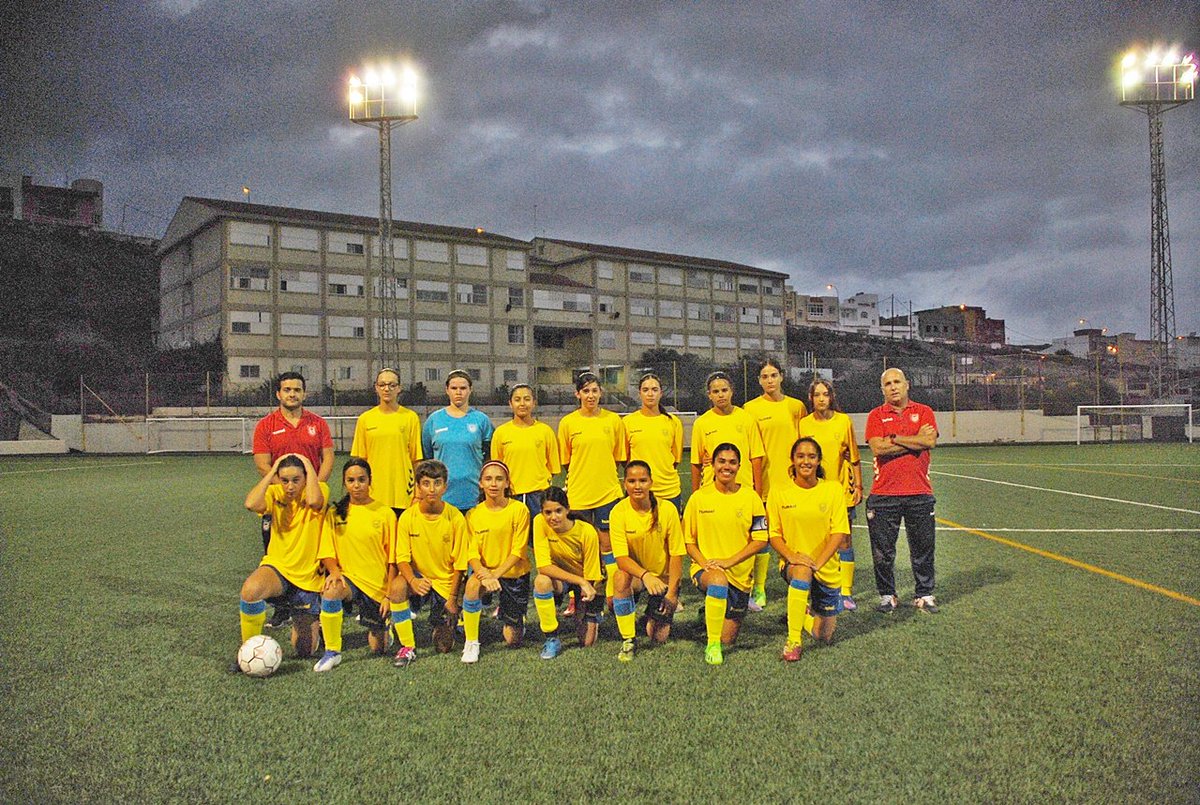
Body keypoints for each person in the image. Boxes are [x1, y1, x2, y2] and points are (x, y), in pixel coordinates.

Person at [251, 371, 334, 627]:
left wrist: (314, 487)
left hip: (311, 500)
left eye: (297, 390)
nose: (292, 394)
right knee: (275, 553)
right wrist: (286, 489)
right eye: (287, 390)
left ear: (304, 394)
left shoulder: (318, 423)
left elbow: (328, 457)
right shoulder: (266, 425)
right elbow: (263, 464)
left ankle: (318, 599)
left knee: (317, 551)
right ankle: (281, 608)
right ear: (278, 394)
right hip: (280, 500)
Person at [235, 453, 327, 671]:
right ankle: (246, 650)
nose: (290, 486)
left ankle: (316, 624)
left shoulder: (319, 490)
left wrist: (307, 463)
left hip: (308, 578)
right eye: (285, 480)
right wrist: (273, 471)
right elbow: (250, 503)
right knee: (250, 590)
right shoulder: (275, 493)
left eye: (296, 480)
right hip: (278, 567)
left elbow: (315, 501)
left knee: (304, 650)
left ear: (306, 477)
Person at [683, 443, 768, 666]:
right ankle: (712, 645)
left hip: (739, 574)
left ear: (739, 466)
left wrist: (729, 562)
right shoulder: (699, 498)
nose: (726, 467)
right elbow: (689, 542)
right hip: (706, 569)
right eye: (721, 461)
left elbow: (761, 540)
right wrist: (707, 565)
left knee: (728, 638)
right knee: (718, 582)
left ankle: (709, 615)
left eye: (732, 462)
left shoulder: (751, 498)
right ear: (713, 464)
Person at [766, 437, 849, 661]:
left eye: (811, 456)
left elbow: (839, 533)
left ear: (819, 460)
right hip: (794, 564)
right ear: (792, 460)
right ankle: (793, 641)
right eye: (800, 456)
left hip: (826, 567)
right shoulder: (779, 491)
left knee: (824, 636)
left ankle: (801, 612)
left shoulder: (832, 490)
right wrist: (792, 557)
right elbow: (774, 534)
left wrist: (818, 563)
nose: (806, 461)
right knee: (802, 572)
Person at [865, 368, 939, 613]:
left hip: (919, 493)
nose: (893, 387)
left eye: (897, 382)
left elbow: (929, 442)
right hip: (884, 494)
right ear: (882, 389)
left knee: (923, 548)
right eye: (888, 383)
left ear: (907, 384)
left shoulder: (924, 411)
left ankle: (924, 594)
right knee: (883, 552)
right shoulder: (876, 415)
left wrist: (894, 437)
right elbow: (878, 449)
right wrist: (912, 439)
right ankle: (888, 595)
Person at [312, 458, 397, 672]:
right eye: (351, 480)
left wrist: (389, 595)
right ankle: (332, 651)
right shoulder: (335, 513)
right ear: (344, 482)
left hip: (377, 587)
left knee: (380, 647)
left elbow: (392, 559)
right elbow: (326, 550)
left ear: (370, 481)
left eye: (361, 479)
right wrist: (334, 571)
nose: (356, 485)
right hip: (349, 580)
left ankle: (387, 625)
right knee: (331, 590)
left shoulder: (384, 513)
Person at [557, 371, 626, 609]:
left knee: (607, 545)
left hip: (607, 492)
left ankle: (611, 593)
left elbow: (618, 457)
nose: (590, 395)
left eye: (594, 390)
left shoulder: (613, 421)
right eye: (585, 391)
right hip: (578, 495)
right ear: (577, 394)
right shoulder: (568, 423)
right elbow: (566, 461)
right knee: (581, 548)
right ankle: (577, 597)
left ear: (601, 393)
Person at [388, 459, 468, 661]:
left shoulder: (456, 518)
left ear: (445, 486)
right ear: (418, 487)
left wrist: (452, 598)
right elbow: (402, 559)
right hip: (418, 579)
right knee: (397, 586)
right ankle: (408, 646)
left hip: (446, 583)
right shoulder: (407, 517)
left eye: (437, 483)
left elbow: (460, 565)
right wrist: (413, 581)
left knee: (443, 646)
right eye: (426, 483)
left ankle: (451, 618)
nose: (431, 489)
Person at [742, 359, 806, 610]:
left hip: (792, 486)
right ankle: (758, 588)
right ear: (759, 380)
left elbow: (803, 446)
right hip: (763, 486)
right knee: (761, 537)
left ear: (782, 377)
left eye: (774, 375)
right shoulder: (749, 409)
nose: (769, 380)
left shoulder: (796, 406)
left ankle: (799, 582)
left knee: (792, 537)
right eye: (764, 376)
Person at [609, 460, 684, 662]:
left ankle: (648, 616)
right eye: (632, 481)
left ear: (651, 482)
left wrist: (672, 593)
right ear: (625, 484)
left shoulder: (667, 510)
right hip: (636, 576)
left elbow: (677, 554)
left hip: (663, 580)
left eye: (643, 480)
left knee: (658, 637)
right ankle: (628, 639)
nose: (637, 486)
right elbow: (622, 559)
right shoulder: (618, 512)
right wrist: (645, 575)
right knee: (619, 578)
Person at [798, 378, 863, 610]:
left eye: (825, 394)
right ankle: (810, 591)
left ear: (831, 396)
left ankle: (845, 592)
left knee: (844, 540)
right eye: (817, 395)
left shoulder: (843, 421)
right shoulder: (804, 424)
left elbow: (854, 456)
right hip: (814, 492)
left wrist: (859, 487)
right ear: (811, 398)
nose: (821, 399)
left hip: (840, 491)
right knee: (813, 541)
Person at [461, 460, 532, 663]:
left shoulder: (519, 510)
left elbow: (518, 551)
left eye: (499, 479)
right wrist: (484, 574)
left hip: (512, 574)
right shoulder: (473, 514)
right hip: (485, 573)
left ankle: (516, 619)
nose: (494, 484)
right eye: (488, 479)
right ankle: (471, 642)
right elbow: (472, 553)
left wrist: (495, 576)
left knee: (512, 640)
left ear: (507, 483)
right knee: (472, 586)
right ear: (481, 484)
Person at [530, 486, 604, 659]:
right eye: (547, 512)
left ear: (567, 509)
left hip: (587, 580)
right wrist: (579, 581)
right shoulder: (539, 522)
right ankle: (551, 638)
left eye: (558, 511)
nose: (553, 517)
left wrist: (584, 588)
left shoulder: (586, 532)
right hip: (562, 579)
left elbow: (591, 576)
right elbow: (543, 567)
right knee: (541, 581)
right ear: (542, 513)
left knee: (587, 642)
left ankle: (593, 616)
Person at [349, 368, 423, 516]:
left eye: (392, 385)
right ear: (376, 388)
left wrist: (418, 493)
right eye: (382, 385)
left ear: (399, 388)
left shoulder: (410, 418)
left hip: (403, 495)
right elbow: (359, 461)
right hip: (373, 494)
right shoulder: (365, 419)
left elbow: (416, 460)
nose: (386, 389)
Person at [421, 370, 494, 512]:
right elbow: (427, 457)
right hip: (441, 498)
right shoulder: (434, 420)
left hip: (474, 497)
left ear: (470, 390)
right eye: (454, 388)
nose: (458, 392)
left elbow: (489, 458)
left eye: (463, 388)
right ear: (447, 390)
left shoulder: (481, 420)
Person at [490, 383, 560, 521]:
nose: (522, 404)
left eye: (527, 399)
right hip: (511, 496)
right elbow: (497, 469)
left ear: (534, 403)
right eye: (517, 399)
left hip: (538, 495)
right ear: (510, 404)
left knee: (537, 539)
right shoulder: (501, 433)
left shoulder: (545, 431)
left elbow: (552, 468)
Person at [622, 372, 684, 514]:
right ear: (640, 393)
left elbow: (675, 459)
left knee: (670, 534)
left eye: (654, 390)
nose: (650, 394)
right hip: (639, 491)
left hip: (668, 490)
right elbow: (625, 459)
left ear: (661, 393)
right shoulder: (627, 423)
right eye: (646, 390)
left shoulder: (673, 422)